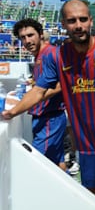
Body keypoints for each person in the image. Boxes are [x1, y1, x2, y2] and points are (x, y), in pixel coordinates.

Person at [2, 0, 95, 204]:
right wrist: (10, 113)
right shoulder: (58, 57)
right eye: (72, 20)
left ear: (91, 21)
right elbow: (39, 90)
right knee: (92, 193)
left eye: (83, 19)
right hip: (85, 143)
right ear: (63, 25)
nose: (78, 25)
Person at [12, 18, 67, 171]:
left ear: (41, 34)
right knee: (57, 163)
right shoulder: (40, 55)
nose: (27, 40)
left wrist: (35, 97)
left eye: (30, 35)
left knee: (36, 164)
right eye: (23, 37)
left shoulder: (50, 54)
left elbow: (62, 85)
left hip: (50, 118)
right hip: (46, 117)